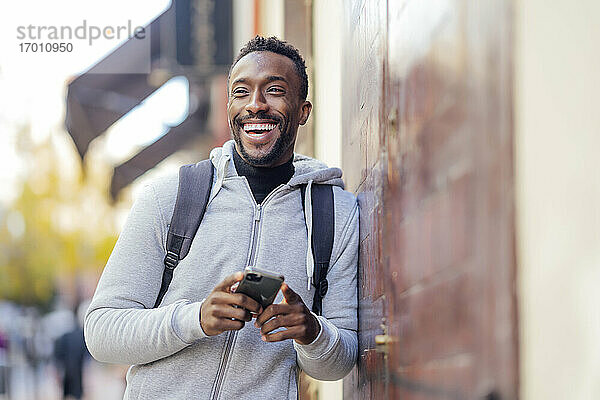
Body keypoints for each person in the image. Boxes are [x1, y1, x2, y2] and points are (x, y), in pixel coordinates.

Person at [84, 36, 359, 399]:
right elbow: (102, 331)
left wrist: (312, 332)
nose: (255, 105)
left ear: (303, 111)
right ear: (228, 105)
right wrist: (196, 319)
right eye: (241, 92)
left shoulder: (336, 214)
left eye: (274, 91)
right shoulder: (171, 196)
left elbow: (339, 362)